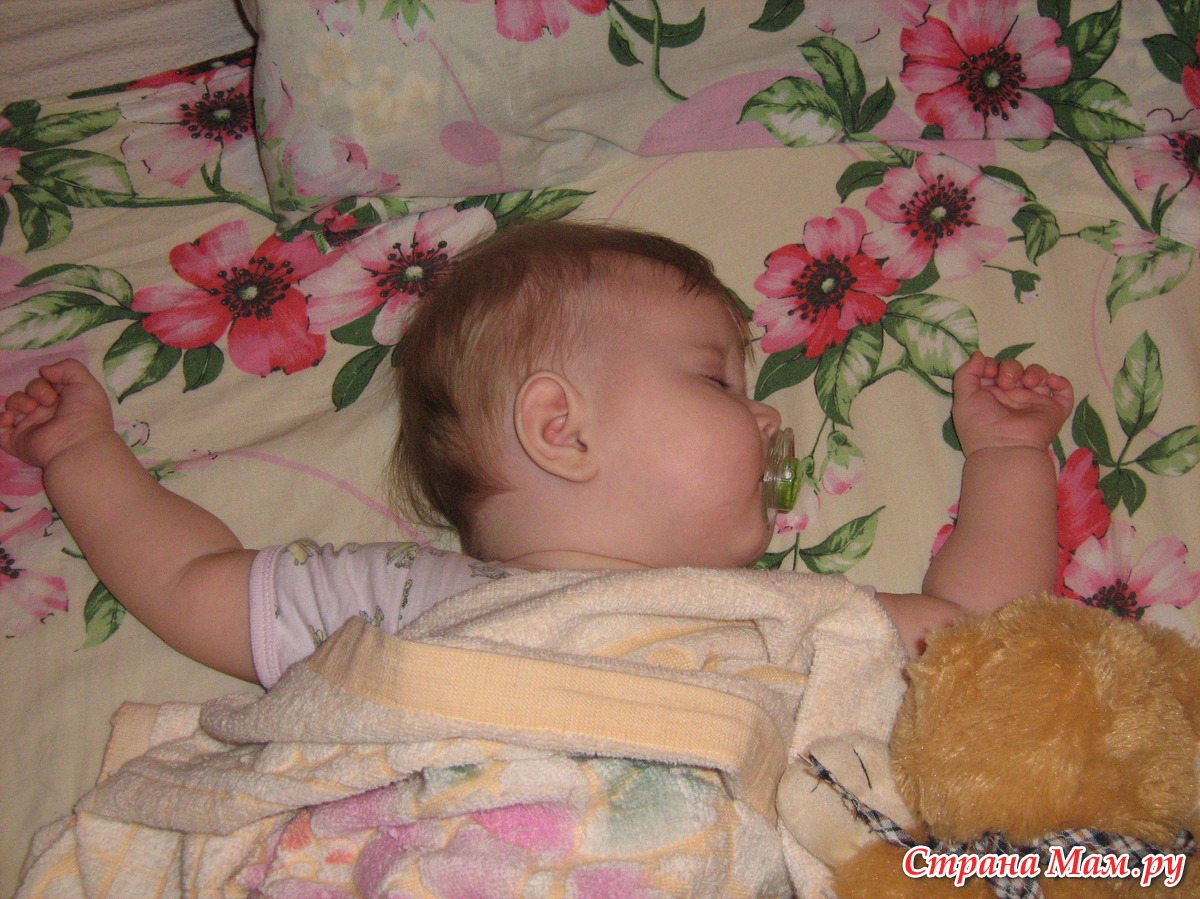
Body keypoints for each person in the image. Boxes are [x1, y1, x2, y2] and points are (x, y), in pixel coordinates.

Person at [0, 220, 1073, 687]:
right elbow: (192, 581)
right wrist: (85, 456)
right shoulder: (403, 600)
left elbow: (984, 634)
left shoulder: (780, 619)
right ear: (562, 428)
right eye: (717, 381)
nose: (764, 422)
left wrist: (1009, 455)